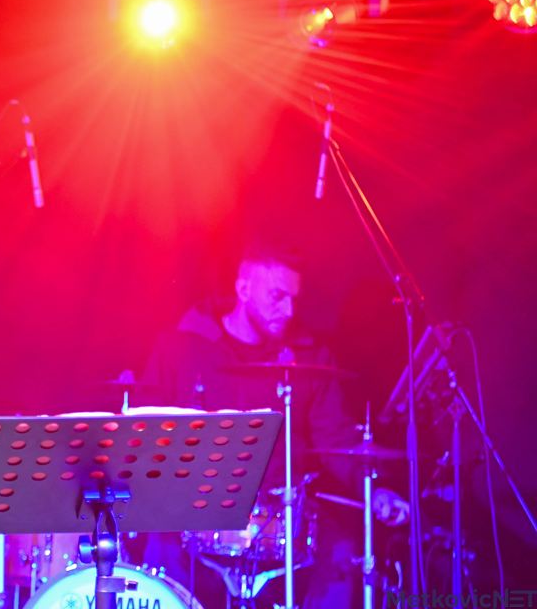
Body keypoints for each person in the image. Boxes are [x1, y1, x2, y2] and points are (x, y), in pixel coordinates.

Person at [138, 241, 407, 609]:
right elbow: (146, 430)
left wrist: (372, 490)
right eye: (278, 297)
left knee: (343, 553)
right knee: (161, 542)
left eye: (294, 299)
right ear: (243, 288)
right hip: (195, 509)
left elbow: (336, 438)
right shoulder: (183, 348)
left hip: (279, 514)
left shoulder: (308, 360)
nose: (289, 310)